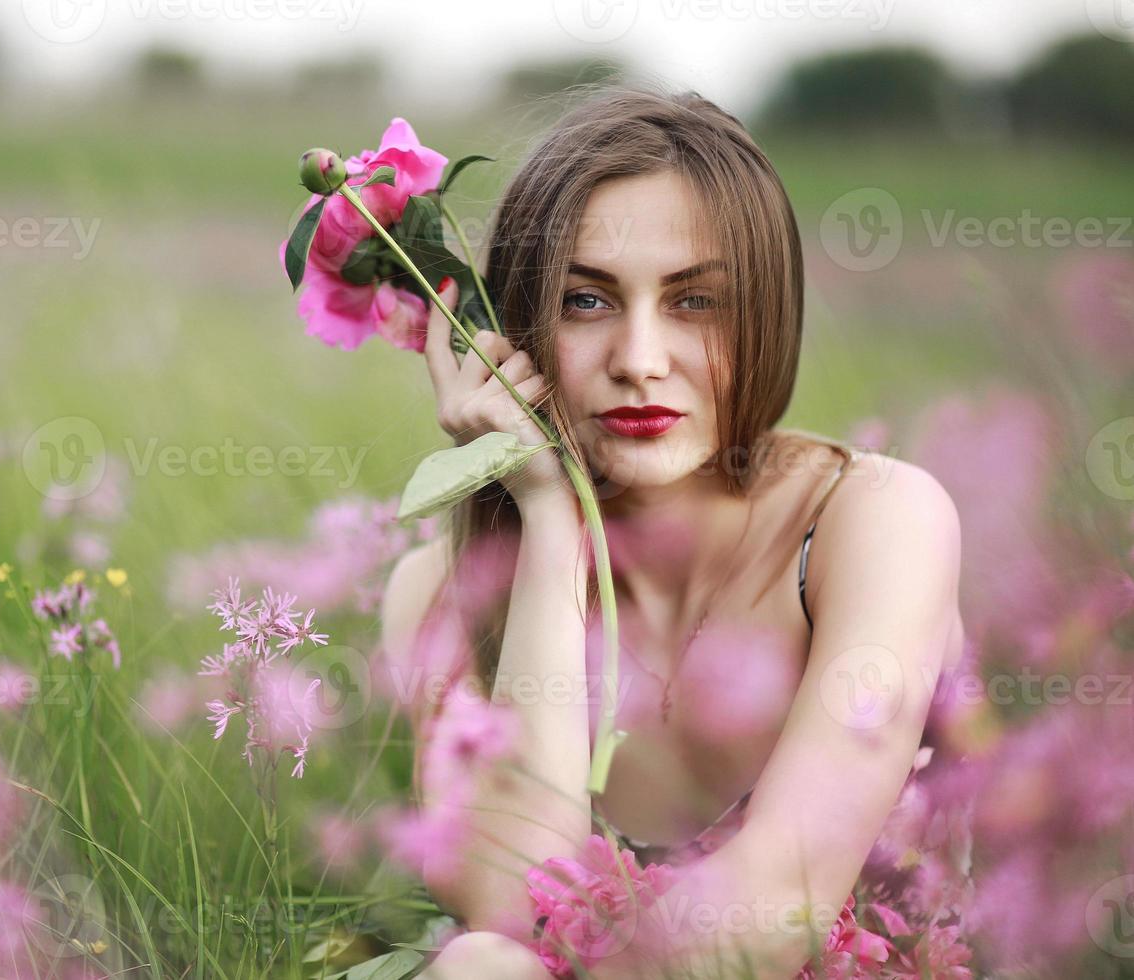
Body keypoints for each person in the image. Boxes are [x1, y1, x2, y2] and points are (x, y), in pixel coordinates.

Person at [379, 86, 968, 978]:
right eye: (586, 301)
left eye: (695, 302)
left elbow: (780, 905)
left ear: (767, 311)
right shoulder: (439, 591)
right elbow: (509, 901)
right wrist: (545, 516)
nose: (640, 359)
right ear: (514, 326)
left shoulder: (872, 520)